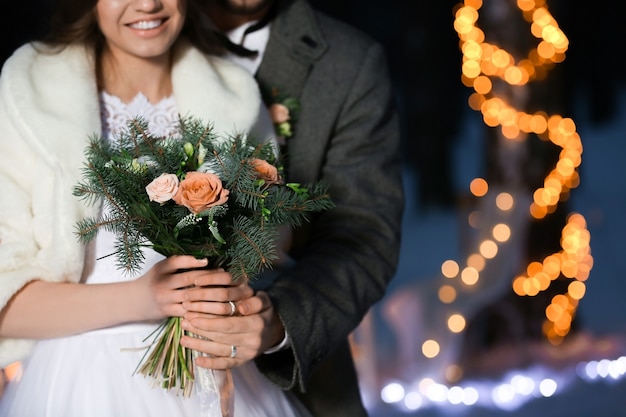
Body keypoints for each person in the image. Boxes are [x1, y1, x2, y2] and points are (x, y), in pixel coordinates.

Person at [0, 0, 309, 416]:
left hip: (216, 372)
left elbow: (272, 242)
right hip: (83, 386)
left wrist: (227, 292)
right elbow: (6, 301)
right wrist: (147, 297)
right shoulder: (30, 92)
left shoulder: (234, 92)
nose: (147, 3)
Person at [177, 1, 405, 416]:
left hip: (284, 388)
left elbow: (362, 234)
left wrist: (278, 323)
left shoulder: (349, 61)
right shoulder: (128, 30)